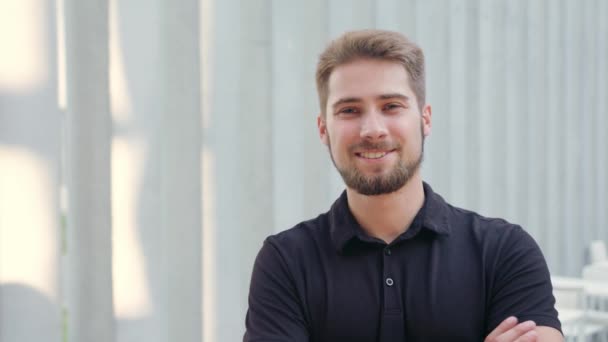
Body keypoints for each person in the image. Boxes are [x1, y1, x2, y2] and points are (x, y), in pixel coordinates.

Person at [243, 29, 562, 341]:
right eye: (349, 110)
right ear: (323, 129)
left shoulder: (504, 252)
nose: (372, 129)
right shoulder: (285, 263)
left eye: (391, 106)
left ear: (425, 119)